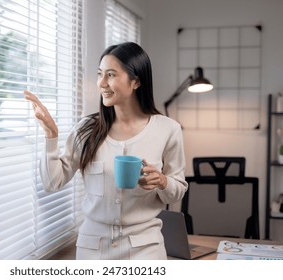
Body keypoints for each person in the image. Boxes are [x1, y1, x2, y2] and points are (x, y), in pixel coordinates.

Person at [24, 42, 188, 260]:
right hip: (92, 248)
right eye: (100, 74)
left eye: (111, 75)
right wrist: (51, 136)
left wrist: (162, 182)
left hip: (145, 248)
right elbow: (52, 182)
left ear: (136, 81)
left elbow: (178, 188)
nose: (102, 83)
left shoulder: (168, 129)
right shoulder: (86, 129)